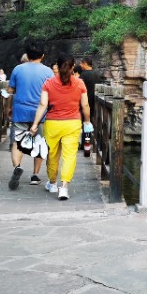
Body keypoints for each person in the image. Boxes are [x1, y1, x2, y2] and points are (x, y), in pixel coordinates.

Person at [29, 56, 91, 200]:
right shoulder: (80, 83)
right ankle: (64, 188)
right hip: (73, 123)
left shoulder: (48, 83)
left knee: (52, 155)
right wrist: (87, 122)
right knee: (70, 156)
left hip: (53, 124)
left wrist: (35, 124)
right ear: (73, 66)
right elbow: (85, 105)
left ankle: (52, 183)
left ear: (57, 65)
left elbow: (43, 105)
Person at [7, 44, 54, 190]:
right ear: (43, 56)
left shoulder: (17, 69)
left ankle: (17, 167)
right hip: (40, 114)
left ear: (27, 55)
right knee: (39, 143)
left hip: (20, 111)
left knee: (17, 142)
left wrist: (8, 107)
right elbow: (52, 94)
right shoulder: (48, 72)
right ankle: (35, 175)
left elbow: (10, 91)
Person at [78, 57, 101, 148]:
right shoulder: (97, 74)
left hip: (85, 103)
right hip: (96, 103)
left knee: (85, 122)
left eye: (81, 64)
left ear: (85, 63)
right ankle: (92, 143)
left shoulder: (83, 75)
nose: (80, 66)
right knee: (91, 122)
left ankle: (85, 143)